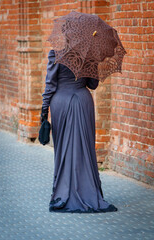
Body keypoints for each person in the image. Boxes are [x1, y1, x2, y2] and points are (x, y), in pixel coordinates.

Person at [40, 49, 118, 213]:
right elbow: (93, 85)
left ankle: (63, 191)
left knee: (63, 149)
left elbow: (50, 85)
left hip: (61, 102)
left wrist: (43, 111)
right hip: (83, 102)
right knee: (84, 148)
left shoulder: (56, 54)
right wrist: (94, 61)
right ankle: (87, 191)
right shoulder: (89, 54)